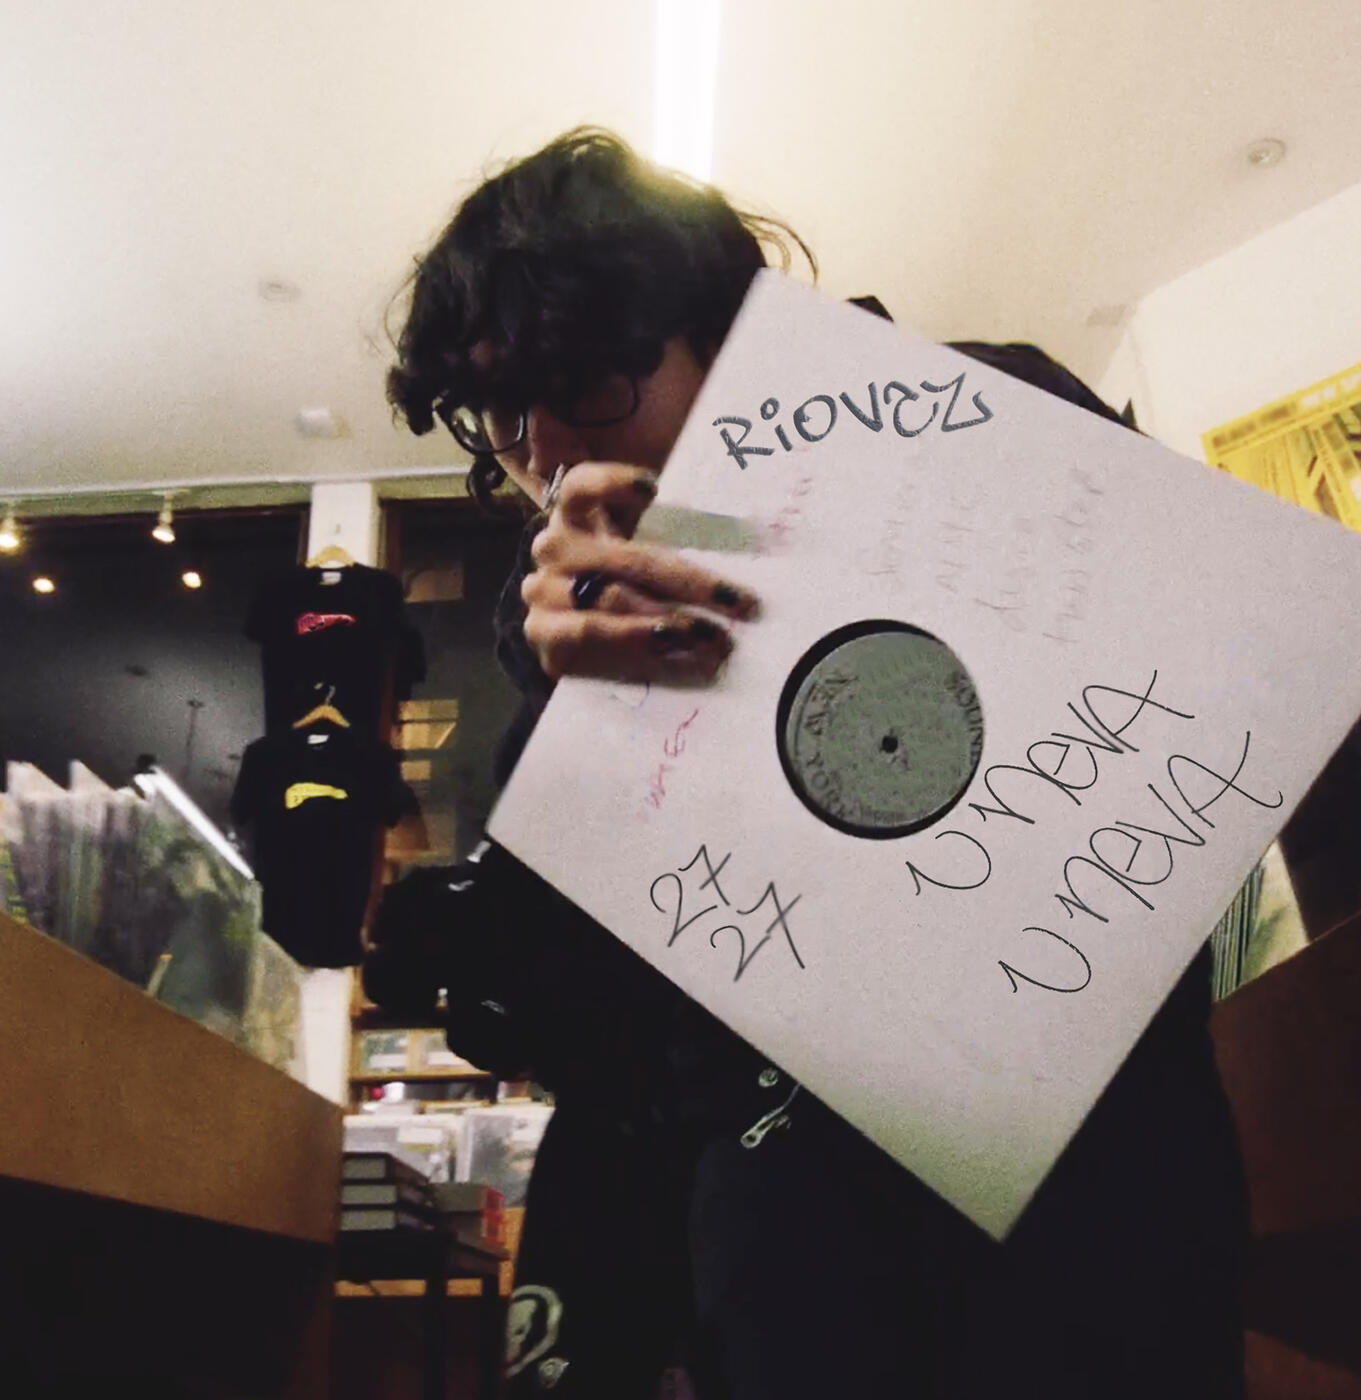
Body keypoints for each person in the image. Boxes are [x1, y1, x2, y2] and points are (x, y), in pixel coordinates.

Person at [384, 128, 1248, 1398]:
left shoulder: (984, 410)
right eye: (503, 414)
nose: (548, 448)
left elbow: (1212, 685)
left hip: (1085, 1192)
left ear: (725, 329)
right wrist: (566, 708)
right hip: (785, 1226)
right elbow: (603, 1045)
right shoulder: (562, 649)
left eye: (580, 376)